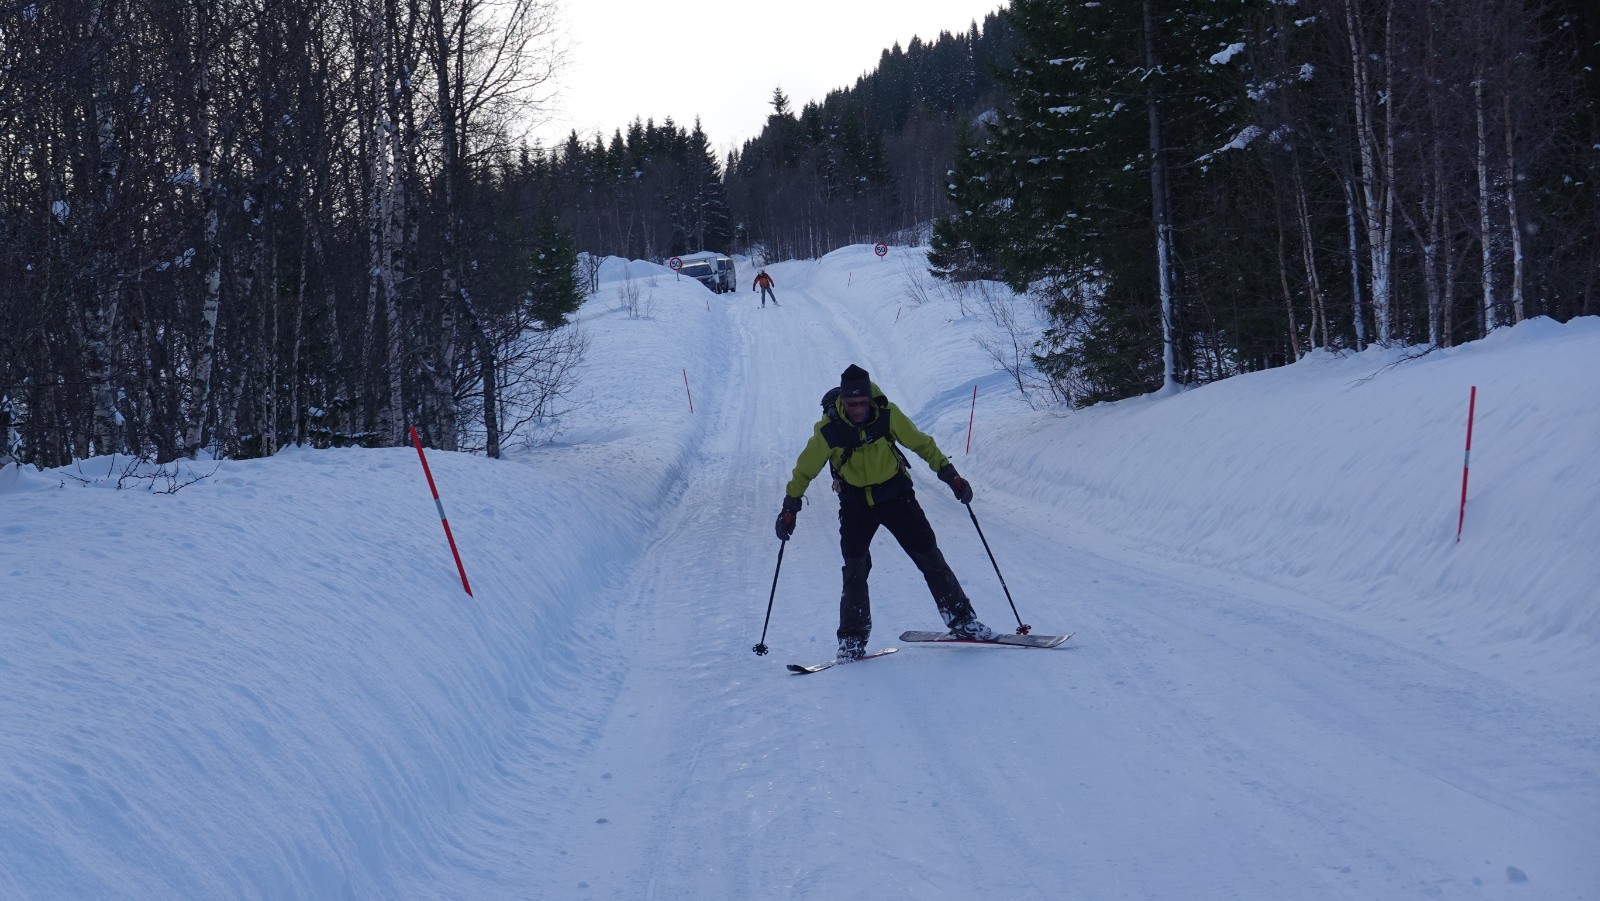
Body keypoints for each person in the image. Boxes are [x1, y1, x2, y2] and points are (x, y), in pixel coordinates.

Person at [775, 364, 995, 660]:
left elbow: (922, 444)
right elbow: (804, 470)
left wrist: (950, 474)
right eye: (851, 404)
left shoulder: (887, 414)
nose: (857, 409)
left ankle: (962, 620)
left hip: (895, 495)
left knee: (930, 556)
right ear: (842, 400)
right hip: (855, 504)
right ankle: (852, 638)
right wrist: (790, 507)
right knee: (854, 569)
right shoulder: (829, 430)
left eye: (862, 403)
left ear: (869, 398)